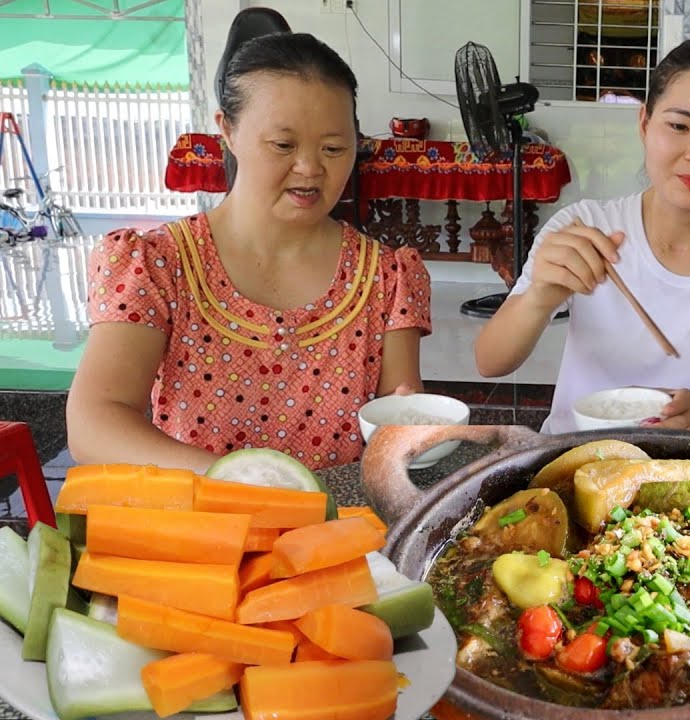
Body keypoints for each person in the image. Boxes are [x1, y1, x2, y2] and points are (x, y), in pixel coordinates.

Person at [66, 32, 432, 472]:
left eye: (333, 148)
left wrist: (408, 419)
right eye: (283, 145)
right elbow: (94, 422)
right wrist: (241, 483)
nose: (310, 168)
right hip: (204, 528)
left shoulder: (386, 275)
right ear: (229, 131)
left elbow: (394, 418)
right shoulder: (158, 263)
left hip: (335, 533)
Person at [474, 38, 690, 448]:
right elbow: (490, 362)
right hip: (570, 464)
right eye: (679, 126)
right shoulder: (586, 227)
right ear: (645, 123)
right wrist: (540, 294)